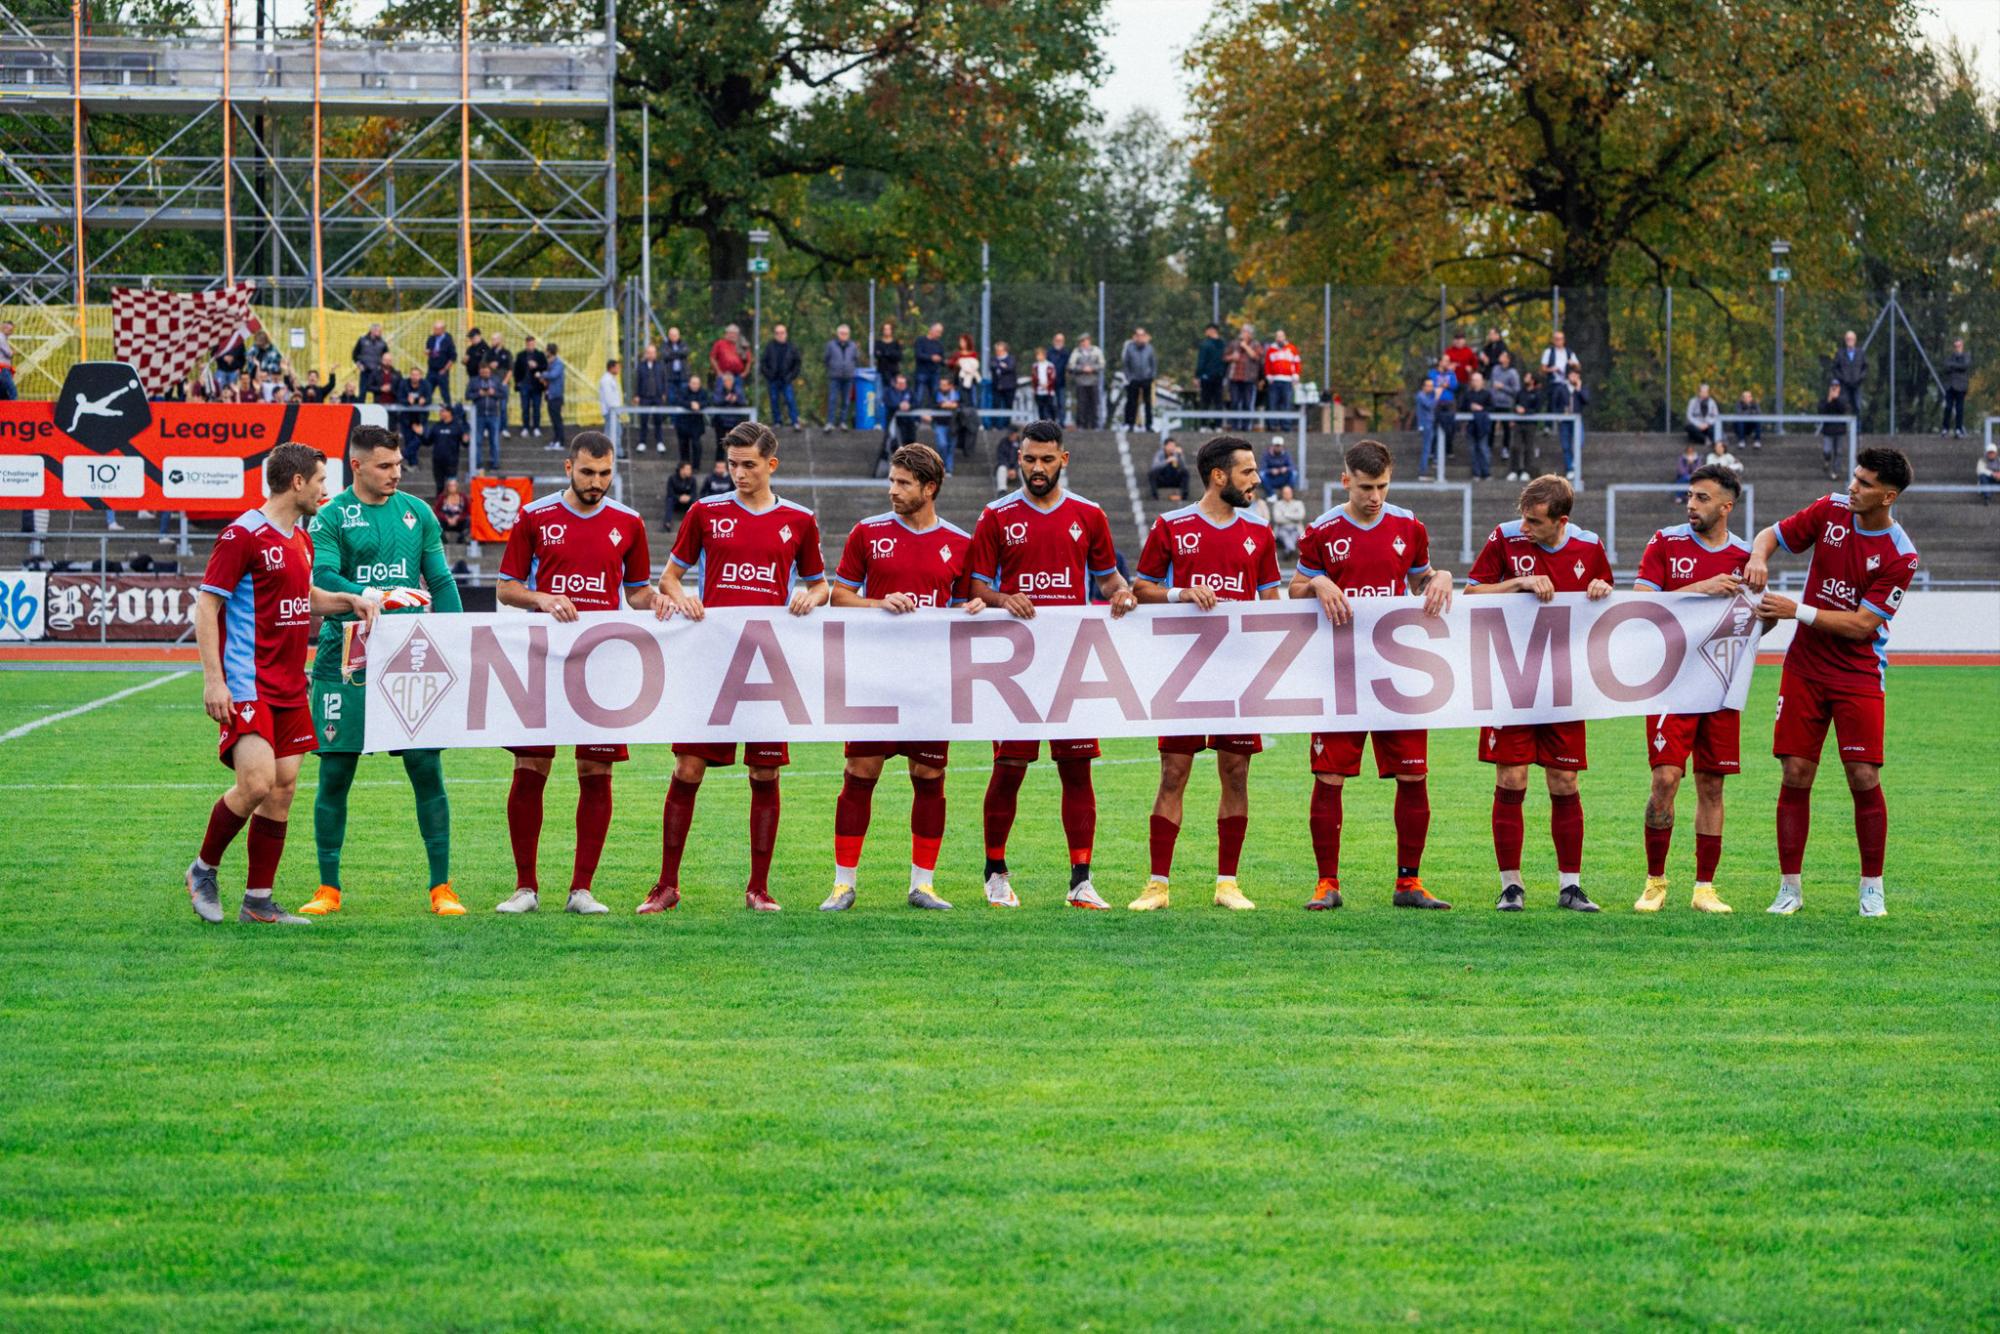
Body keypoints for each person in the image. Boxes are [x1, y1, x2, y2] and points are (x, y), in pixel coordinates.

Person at [185, 443, 378, 925]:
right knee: (255, 783)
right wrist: (214, 681)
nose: (325, 491)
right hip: (249, 684)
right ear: (297, 483)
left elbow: (303, 596)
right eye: (319, 481)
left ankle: (258, 901)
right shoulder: (242, 535)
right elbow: (206, 606)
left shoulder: (302, 539)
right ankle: (203, 869)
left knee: (283, 789)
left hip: (292, 685)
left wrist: (347, 600)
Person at [645, 421, 829, 913]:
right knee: (687, 767)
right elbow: (668, 578)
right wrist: (682, 599)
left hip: (767, 666)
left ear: (772, 464)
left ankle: (759, 888)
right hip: (710, 661)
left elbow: (822, 585)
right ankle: (666, 885)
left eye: (749, 464)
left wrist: (807, 596)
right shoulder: (706, 512)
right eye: (733, 464)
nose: (740, 473)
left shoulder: (799, 519)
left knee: (765, 774)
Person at [967, 421, 1137, 909]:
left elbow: (1108, 580)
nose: (1036, 468)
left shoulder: (1088, 514)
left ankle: (1081, 879)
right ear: (1018, 459)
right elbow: (975, 589)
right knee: (1010, 766)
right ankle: (995, 870)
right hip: (1016, 665)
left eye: (1046, 459)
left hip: (1070, 661)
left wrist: (1122, 593)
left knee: (1077, 768)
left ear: (1064, 460)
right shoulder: (996, 515)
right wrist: (1004, 598)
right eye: (1028, 459)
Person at [298, 424, 465, 918]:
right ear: (357, 465)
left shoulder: (418, 514)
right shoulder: (330, 515)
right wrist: (371, 597)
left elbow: (439, 579)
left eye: (398, 465)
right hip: (341, 660)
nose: (395, 474)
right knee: (334, 772)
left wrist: (458, 639)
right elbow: (323, 576)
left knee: (425, 768)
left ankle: (442, 887)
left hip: (407, 660)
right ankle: (329, 887)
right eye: (384, 466)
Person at [1744, 448, 1919, 918]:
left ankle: (1871, 888)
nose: (1852, 488)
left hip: (1858, 673)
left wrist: (1794, 610)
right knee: (1796, 773)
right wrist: (1759, 557)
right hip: (1804, 667)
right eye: (1853, 478)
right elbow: (1770, 535)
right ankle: (1789, 888)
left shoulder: (1902, 555)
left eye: (1864, 483)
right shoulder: (1830, 511)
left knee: (1863, 777)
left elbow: (1863, 625)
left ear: (1889, 495)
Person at [1289, 439, 1456, 911]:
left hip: (1396, 673)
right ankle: (1327, 883)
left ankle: (1410, 883)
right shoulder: (1322, 530)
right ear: (1346, 481)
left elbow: (1421, 578)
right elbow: (1295, 588)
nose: (1375, 496)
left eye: (1382, 486)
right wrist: (1318, 581)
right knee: (1329, 777)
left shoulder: (1408, 525)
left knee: (1413, 776)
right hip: (1339, 670)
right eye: (1366, 487)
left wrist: (1440, 575)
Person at [492, 432, 654, 916]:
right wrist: (541, 598)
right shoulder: (536, 516)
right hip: (544, 659)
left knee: (596, 771)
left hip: (602, 664)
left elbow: (639, 593)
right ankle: (525, 888)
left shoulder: (629, 523)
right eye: (588, 473)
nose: (597, 483)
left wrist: (661, 602)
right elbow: (505, 588)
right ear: (568, 468)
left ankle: (582, 889)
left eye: (605, 474)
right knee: (530, 769)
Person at [823, 443, 982, 911]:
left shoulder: (959, 542)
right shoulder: (867, 533)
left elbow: (962, 603)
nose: (893, 490)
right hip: (875, 677)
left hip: (931, 681)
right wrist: (881, 602)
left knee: (930, 775)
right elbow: (840, 597)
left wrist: (970, 607)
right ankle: (842, 884)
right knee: (859, 773)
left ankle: (923, 884)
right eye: (891, 482)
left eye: (903, 483)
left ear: (929, 489)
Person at [1128, 435, 1283, 912]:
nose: (1257, 479)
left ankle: (1227, 884)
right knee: (1173, 774)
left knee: (1236, 775)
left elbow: (1273, 601)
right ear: (1220, 476)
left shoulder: (1258, 532)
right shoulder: (1172, 525)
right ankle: (1157, 885)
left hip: (1238, 673)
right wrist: (1181, 593)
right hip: (1184, 673)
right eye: (1248, 471)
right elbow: (1141, 587)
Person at [1465, 474, 1615, 912]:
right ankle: (1511, 886)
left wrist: (1601, 590)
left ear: (1561, 520)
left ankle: (1571, 886)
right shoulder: (1505, 539)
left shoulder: (1589, 547)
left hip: (1564, 683)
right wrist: (1517, 584)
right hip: (1511, 681)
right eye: (1523, 518)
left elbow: (1608, 601)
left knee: (1564, 780)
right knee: (1511, 778)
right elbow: (1472, 593)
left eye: (1534, 521)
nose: (1524, 528)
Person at [1632, 466, 1751, 914]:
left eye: (1702, 498)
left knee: (1712, 784)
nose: (1691, 504)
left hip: (1719, 684)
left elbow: (1750, 618)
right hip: (1670, 684)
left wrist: (1768, 615)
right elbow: (1641, 605)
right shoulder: (1666, 542)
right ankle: (1655, 882)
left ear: (1726, 507)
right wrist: (1702, 588)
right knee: (1665, 778)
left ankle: (1705, 888)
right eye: (1690, 496)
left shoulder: (1744, 554)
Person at [760, 324, 802, 428]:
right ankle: (777, 421)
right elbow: (763, 363)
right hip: (773, 379)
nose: (780, 335)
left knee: (790, 399)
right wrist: (768, 374)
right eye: (777, 333)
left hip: (786, 379)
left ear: (786, 334)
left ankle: (795, 421)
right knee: (774, 400)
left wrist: (791, 376)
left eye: (782, 332)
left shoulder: (791, 347)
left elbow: (797, 363)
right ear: (774, 334)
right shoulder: (770, 347)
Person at [824, 323, 860, 430]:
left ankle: (843, 422)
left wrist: (851, 369)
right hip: (835, 376)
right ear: (838, 334)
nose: (843, 335)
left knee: (846, 400)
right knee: (832, 399)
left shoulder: (853, 346)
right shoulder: (831, 345)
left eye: (845, 334)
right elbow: (826, 359)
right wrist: (832, 368)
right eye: (841, 333)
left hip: (848, 376)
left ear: (848, 335)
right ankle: (830, 422)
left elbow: (856, 359)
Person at [1506, 370, 1542, 480]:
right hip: (1518, 423)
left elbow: (1537, 409)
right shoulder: (1520, 392)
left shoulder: (1537, 393)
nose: (1525, 378)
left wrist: (1525, 411)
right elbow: (1514, 405)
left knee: (1529, 448)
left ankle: (1527, 471)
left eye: (1527, 376)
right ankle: (1514, 470)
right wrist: (1513, 416)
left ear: (1532, 380)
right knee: (1515, 446)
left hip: (1530, 424)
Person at [633, 341, 667, 453]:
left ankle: (660, 442)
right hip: (644, 397)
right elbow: (637, 381)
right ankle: (642, 442)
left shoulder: (660, 365)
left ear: (655, 354)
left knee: (658, 420)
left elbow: (664, 380)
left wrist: (664, 393)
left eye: (653, 352)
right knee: (644, 420)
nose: (651, 354)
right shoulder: (641, 366)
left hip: (657, 397)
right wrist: (636, 395)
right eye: (649, 352)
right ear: (646, 354)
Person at [1489, 349, 1520, 465]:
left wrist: (1503, 387)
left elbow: (1516, 390)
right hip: (1494, 403)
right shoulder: (1495, 369)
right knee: (1490, 426)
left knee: (1506, 428)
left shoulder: (1513, 373)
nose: (1500, 356)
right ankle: (1489, 447)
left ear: (1508, 359)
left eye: (1503, 355)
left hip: (1506, 404)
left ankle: (1505, 448)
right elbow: (1492, 384)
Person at [1461, 370, 1494, 479]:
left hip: (1482, 426)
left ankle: (1486, 472)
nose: (1475, 382)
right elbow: (1462, 407)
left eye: (1477, 380)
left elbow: (1491, 407)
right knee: (1473, 450)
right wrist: (1470, 407)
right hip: (1471, 426)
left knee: (1483, 449)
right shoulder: (1467, 394)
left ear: (1482, 381)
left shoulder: (1487, 394)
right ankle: (1476, 473)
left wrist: (1481, 409)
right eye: (1473, 380)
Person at [470, 363, 502, 472]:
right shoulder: (474, 381)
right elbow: (468, 395)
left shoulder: (496, 380)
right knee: (477, 441)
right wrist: (479, 394)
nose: (485, 374)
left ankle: (495, 463)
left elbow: (503, 394)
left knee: (494, 440)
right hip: (479, 416)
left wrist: (493, 393)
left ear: (490, 371)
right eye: (483, 372)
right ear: (479, 371)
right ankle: (478, 463)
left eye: (487, 372)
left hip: (493, 415)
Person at [1068, 334, 1105, 429]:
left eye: (1086, 341)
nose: (1085, 343)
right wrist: (1082, 369)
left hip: (1093, 381)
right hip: (1081, 382)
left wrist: (1092, 368)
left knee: (1094, 403)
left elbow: (1102, 364)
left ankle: (1094, 424)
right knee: (1081, 404)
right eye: (1082, 341)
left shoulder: (1096, 351)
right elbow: (1071, 365)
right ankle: (1081, 424)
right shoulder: (1076, 352)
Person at [708, 372, 749, 458]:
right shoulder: (719, 390)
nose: (728, 383)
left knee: (736, 445)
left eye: (730, 381)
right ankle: (720, 466)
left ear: (733, 382)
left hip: (735, 421)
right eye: (726, 381)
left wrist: (736, 400)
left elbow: (744, 402)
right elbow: (716, 401)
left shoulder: (738, 390)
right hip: (721, 421)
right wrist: (725, 399)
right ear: (723, 382)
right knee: (720, 444)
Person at [1224, 323, 1261, 416]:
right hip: (1235, 378)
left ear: (1250, 334)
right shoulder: (1234, 343)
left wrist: (1245, 346)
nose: (1242, 333)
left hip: (1249, 378)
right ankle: (1235, 426)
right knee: (1235, 402)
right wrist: (1232, 357)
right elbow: (1224, 357)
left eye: (1245, 332)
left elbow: (1256, 357)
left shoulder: (1256, 344)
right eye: (1242, 331)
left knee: (1247, 403)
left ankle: (1246, 427)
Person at [1262, 329, 1301, 414]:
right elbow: (1267, 364)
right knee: (1273, 403)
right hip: (1274, 381)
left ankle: (1286, 426)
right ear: (1275, 338)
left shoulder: (1292, 349)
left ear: (1284, 337)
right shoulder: (1271, 350)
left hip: (1288, 381)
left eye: (1281, 336)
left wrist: (1296, 375)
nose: (1279, 338)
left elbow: (1297, 362)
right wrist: (1268, 375)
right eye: (1278, 336)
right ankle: (1272, 425)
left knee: (1287, 403)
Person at [429, 406, 465, 491]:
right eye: (440, 411)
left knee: (452, 487)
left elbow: (464, 443)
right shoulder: (436, 426)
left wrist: (466, 440)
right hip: (437, 461)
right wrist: (421, 434)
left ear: (450, 413)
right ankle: (439, 503)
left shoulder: (457, 426)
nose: (441, 413)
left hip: (451, 462)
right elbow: (428, 441)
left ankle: (451, 504)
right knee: (439, 486)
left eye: (443, 411)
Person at [1833, 330, 1865, 426]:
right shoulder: (1840, 353)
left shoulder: (1861, 353)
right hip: (1844, 385)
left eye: (1851, 339)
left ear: (1855, 340)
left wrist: (1860, 378)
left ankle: (1857, 432)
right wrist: (1842, 378)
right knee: (1842, 406)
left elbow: (1865, 368)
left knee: (1858, 407)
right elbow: (1835, 368)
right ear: (1845, 340)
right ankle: (1842, 430)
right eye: (1847, 339)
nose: (1849, 341)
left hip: (1857, 385)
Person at [1818, 382, 1849, 480]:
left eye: (1836, 386)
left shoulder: (1843, 399)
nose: (1834, 388)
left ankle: (1836, 472)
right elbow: (1821, 410)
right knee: (1827, 450)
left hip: (1839, 430)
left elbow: (1843, 409)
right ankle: (1827, 461)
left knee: (1838, 452)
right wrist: (1829, 400)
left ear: (1839, 388)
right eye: (1832, 386)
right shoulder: (1825, 399)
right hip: (1828, 430)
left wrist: (1836, 399)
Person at [950, 373, 981, 467]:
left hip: (967, 414)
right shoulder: (959, 383)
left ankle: (967, 449)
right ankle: (966, 449)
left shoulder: (974, 383)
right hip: (964, 413)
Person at [423, 321, 457, 405]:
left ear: (442, 329)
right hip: (431, 370)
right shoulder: (431, 338)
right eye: (434, 328)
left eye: (436, 329)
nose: (434, 330)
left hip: (442, 370)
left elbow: (453, 357)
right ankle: (423, 414)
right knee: (427, 392)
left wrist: (445, 369)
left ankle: (449, 410)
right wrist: (428, 352)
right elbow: (428, 349)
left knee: (445, 393)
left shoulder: (448, 340)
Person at [881, 373, 917, 451]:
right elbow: (888, 402)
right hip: (893, 421)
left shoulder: (909, 391)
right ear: (895, 384)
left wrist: (909, 406)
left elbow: (916, 403)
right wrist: (898, 405)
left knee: (909, 443)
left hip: (908, 423)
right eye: (900, 383)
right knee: (893, 443)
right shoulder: (888, 391)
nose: (902, 385)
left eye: (904, 383)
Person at [541, 342, 567, 449]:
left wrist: (542, 374)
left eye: (546, 350)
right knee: (553, 419)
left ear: (550, 352)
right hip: (550, 395)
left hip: (556, 396)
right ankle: (555, 439)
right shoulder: (550, 363)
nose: (545, 352)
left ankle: (561, 441)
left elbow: (553, 375)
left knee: (557, 419)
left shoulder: (558, 364)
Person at [913, 322, 946, 407]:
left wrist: (947, 362)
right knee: (918, 396)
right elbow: (918, 355)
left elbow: (942, 359)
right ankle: (915, 418)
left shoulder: (939, 344)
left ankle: (934, 418)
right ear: (931, 330)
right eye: (938, 332)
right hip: (922, 372)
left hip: (935, 374)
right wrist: (931, 357)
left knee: (935, 396)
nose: (939, 334)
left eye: (941, 332)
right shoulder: (920, 340)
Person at [486, 333, 513, 435]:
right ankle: (488, 429)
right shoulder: (488, 353)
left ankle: (504, 428)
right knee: (490, 407)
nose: (492, 341)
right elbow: (483, 366)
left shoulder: (507, 353)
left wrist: (505, 382)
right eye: (492, 339)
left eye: (494, 339)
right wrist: (490, 365)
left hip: (502, 385)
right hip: (491, 384)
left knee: (502, 408)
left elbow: (511, 369)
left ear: (500, 340)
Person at [1942, 337, 1969, 437]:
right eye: (1955, 346)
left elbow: (1965, 366)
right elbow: (1946, 366)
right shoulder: (1950, 357)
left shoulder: (1966, 356)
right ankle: (1945, 429)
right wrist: (1957, 366)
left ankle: (1958, 429)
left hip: (1961, 387)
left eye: (1959, 346)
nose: (1957, 348)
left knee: (1959, 409)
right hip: (1950, 386)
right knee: (1948, 407)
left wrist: (1953, 366)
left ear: (1962, 346)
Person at [1269, 483, 1306, 557]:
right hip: (1282, 529)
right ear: (1282, 494)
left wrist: (1286, 515)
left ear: (1292, 493)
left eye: (1289, 492)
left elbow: (1301, 516)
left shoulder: (1299, 503)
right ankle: (1291, 548)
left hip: (1296, 528)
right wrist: (1294, 518)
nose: (1287, 494)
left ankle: (1288, 549)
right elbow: (1277, 519)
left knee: (1294, 535)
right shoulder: (1277, 504)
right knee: (1284, 534)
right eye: (1285, 493)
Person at [1196, 323, 1226, 411]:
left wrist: (1197, 376)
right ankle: (1218, 423)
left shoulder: (1205, 344)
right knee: (1218, 400)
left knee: (1205, 400)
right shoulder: (1223, 344)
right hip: (1219, 376)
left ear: (1211, 331)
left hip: (1207, 376)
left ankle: (1204, 423)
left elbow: (1201, 361)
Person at [597, 358, 624, 456]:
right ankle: (613, 454)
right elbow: (609, 398)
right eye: (617, 367)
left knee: (616, 432)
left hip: (613, 411)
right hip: (610, 411)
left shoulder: (610, 379)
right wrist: (614, 409)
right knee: (613, 433)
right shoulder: (606, 380)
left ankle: (616, 453)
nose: (618, 369)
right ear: (611, 368)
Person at [351, 322, 387, 395]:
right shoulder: (362, 340)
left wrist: (382, 367)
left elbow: (386, 356)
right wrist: (359, 365)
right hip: (365, 371)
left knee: (377, 393)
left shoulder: (383, 343)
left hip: (377, 372)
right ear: (372, 331)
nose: (380, 332)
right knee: (362, 393)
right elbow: (354, 354)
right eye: (379, 331)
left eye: (380, 331)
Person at [1148, 437, 1189, 501]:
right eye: (1170, 445)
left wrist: (1179, 456)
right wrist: (1167, 461)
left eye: (1174, 446)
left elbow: (1184, 468)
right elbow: (1154, 467)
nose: (1172, 447)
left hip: (1174, 478)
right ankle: (1154, 497)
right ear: (1165, 446)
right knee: (1152, 474)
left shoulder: (1177, 454)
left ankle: (1184, 497)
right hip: (1163, 478)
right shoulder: (1160, 454)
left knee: (1185, 473)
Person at [660, 328, 691, 409]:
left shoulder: (684, 344)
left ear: (679, 335)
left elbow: (686, 352)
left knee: (684, 398)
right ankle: (674, 421)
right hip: (670, 377)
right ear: (669, 336)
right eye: (672, 335)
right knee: (672, 399)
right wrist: (679, 354)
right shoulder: (664, 345)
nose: (674, 337)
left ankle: (682, 421)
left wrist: (672, 354)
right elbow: (665, 355)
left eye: (675, 335)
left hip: (683, 376)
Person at [989, 340, 1019, 420]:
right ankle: (995, 425)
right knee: (996, 405)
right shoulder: (993, 359)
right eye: (997, 350)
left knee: (1008, 405)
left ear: (1005, 350)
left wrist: (999, 367)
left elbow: (1010, 368)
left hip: (1009, 386)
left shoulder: (1011, 358)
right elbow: (992, 366)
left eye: (1000, 350)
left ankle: (1007, 424)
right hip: (996, 386)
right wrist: (1002, 366)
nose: (998, 352)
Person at [434, 475, 469, 540]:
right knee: (436, 521)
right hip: (445, 522)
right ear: (447, 487)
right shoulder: (442, 497)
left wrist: (458, 518)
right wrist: (446, 518)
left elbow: (468, 511)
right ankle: (443, 539)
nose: (452, 487)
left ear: (457, 486)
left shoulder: (463, 497)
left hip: (459, 521)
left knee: (469, 520)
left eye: (454, 485)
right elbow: (436, 511)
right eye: (450, 485)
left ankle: (461, 538)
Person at [1048, 331, 1071, 424]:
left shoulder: (1067, 353)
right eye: (1057, 340)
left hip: (1062, 382)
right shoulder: (1049, 352)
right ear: (1054, 341)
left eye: (1061, 340)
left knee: (1061, 403)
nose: (1059, 342)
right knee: (1051, 403)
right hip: (1050, 383)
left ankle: (1062, 422)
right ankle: (1051, 422)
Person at [992, 422, 1020, 494]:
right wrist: (1008, 469)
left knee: (1024, 469)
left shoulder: (1022, 443)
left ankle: (1029, 490)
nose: (1010, 435)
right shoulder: (1003, 442)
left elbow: (1023, 458)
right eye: (1009, 434)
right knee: (1001, 468)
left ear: (1016, 433)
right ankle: (1002, 490)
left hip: (1017, 467)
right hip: (1006, 467)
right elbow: (1000, 457)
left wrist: (1015, 469)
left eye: (1012, 434)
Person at [1031, 346, 1057, 422]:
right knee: (1040, 407)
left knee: (1050, 407)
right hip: (1039, 390)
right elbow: (1034, 377)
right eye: (1037, 355)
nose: (1038, 357)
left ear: (1044, 355)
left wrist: (1047, 384)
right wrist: (1038, 384)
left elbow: (1053, 377)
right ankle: (1042, 423)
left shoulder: (1050, 365)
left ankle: (1053, 422)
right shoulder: (1035, 366)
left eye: (1040, 355)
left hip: (1048, 390)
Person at [873, 321, 903, 386]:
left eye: (888, 329)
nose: (887, 331)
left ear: (891, 330)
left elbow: (899, 357)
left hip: (894, 373)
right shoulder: (878, 343)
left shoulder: (896, 343)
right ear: (882, 331)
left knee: (893, 394)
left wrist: (886, 353)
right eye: (885, 329)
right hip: (881, 372)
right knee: (880, 394)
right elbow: (876, 355)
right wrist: (890, 354)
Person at [0, 319, 17, 400]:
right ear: (4, 328)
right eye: (10, 330)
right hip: (2, 369)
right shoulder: (1, 338)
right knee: (12, 391)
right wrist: (13, 352)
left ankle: (4, 411)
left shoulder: (3, 339)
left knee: (3, 393)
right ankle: (15, 410)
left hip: (4, 368)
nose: (11, 332)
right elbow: (8, 353)